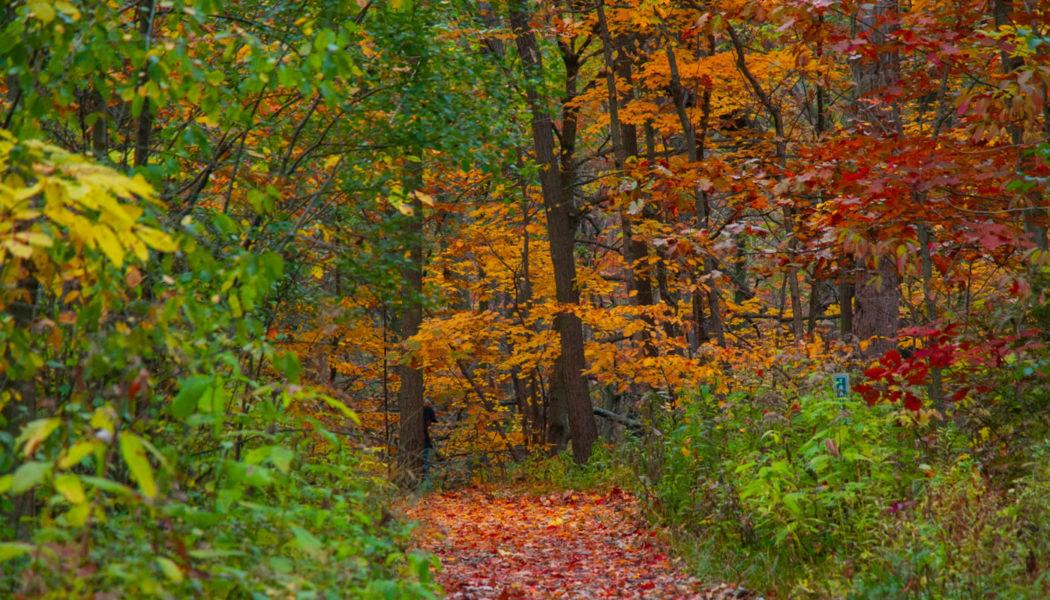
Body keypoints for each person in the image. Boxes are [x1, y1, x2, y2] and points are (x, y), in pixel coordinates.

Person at [422, 401, 438, 484]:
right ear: (426, 418)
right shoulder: (422, 436)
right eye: (430, 420)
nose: (430, 423)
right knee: (424, 474)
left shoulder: (424, 433)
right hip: (422, 475)